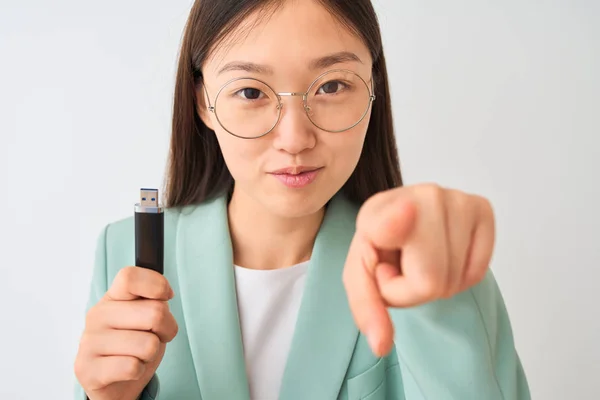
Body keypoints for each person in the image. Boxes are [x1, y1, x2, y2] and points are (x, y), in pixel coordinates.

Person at [73, 0, 531, 399]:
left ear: (373, 90)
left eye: (332, 86)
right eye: (250, 91)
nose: (294, 139)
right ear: (202, 102)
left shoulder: (429, 259)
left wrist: (442, 301)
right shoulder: (124, 252)